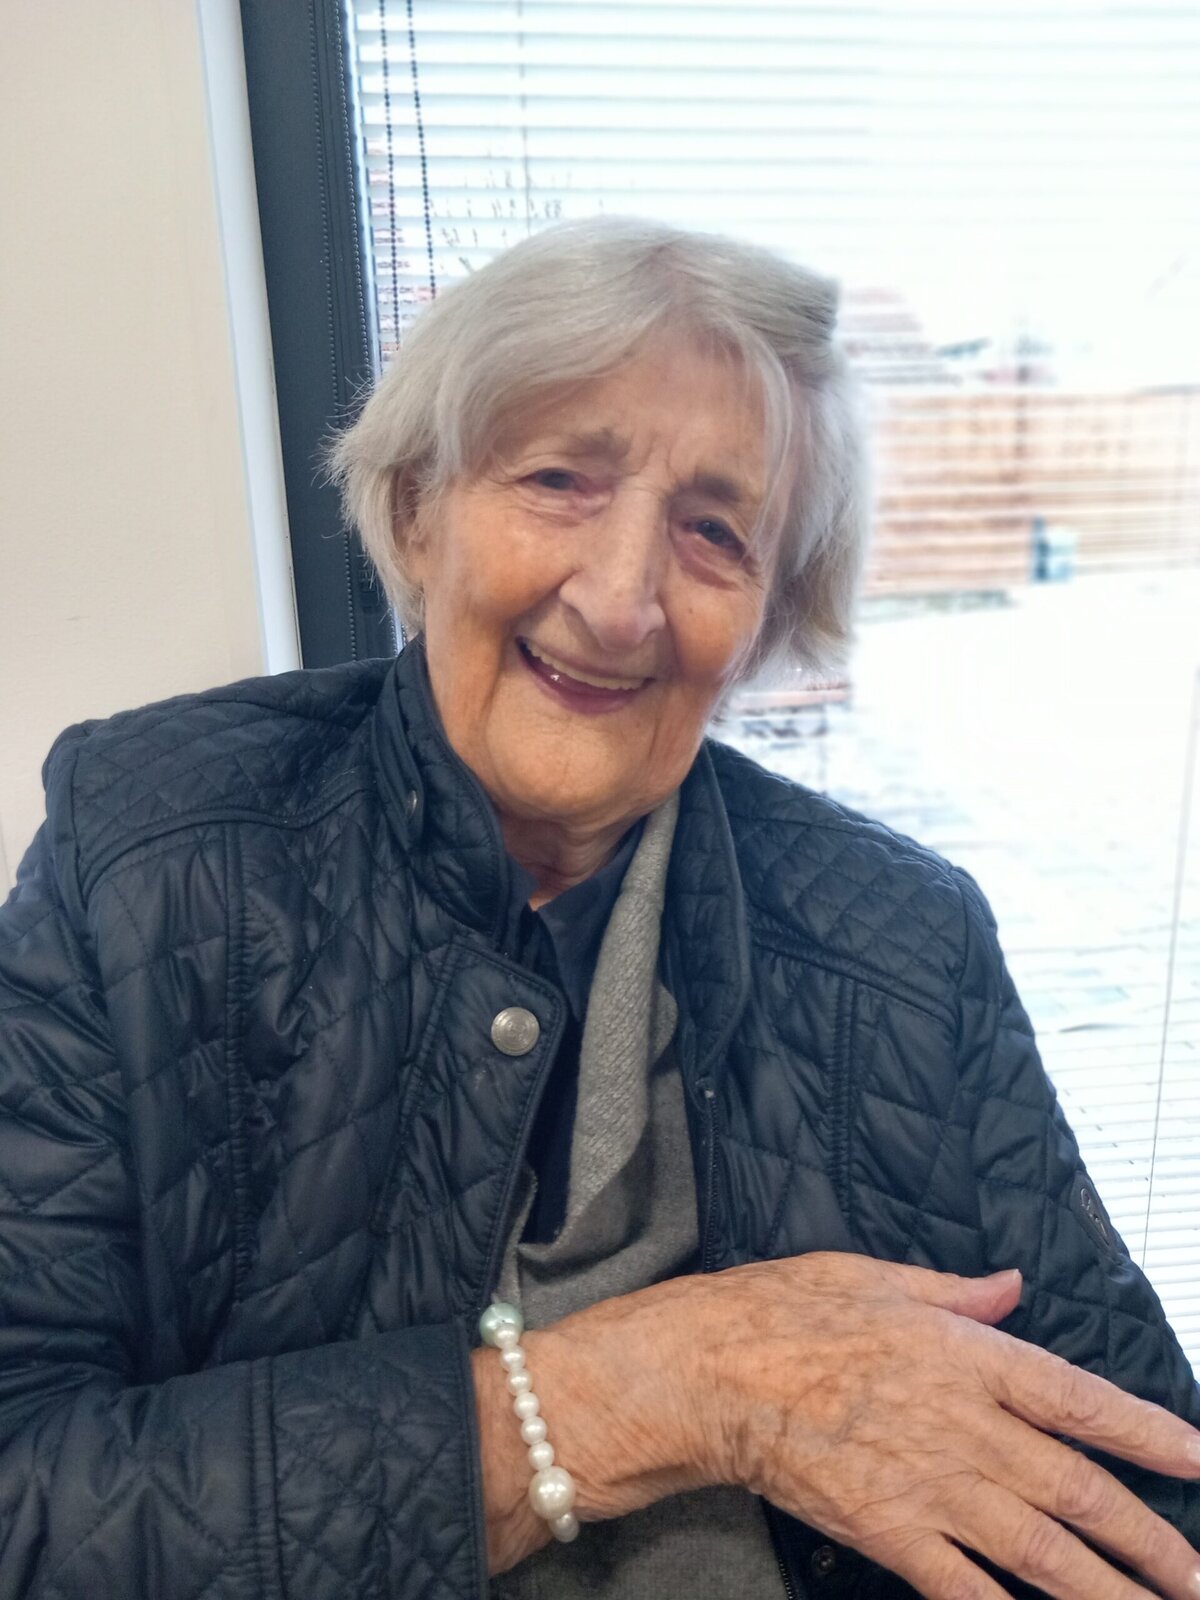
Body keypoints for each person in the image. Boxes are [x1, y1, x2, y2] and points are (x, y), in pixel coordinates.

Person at [0, 217, 1196, 1600]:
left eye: (715, 533)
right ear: (417, 512)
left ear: (769, 620)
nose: (624, 601)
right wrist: (648, 1391)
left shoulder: (905, 942)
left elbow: (1141, 1485)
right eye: (560, 480)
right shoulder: (155, 852)